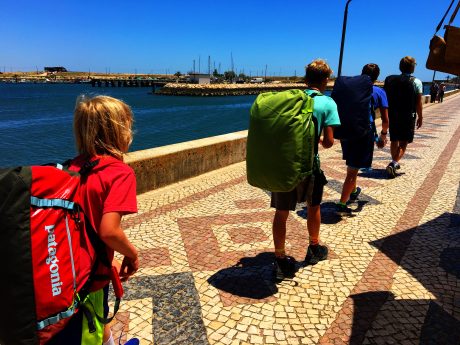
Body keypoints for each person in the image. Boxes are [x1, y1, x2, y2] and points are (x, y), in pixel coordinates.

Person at [50, 95, 139, 345]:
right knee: (90, 329)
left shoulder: (72, 168)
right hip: (90, 274)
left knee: (97, 320)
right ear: (119, 131)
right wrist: (132, 255)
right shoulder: (119, 173)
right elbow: (109, 231)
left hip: (64, 268)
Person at [270, 59, 340, 281]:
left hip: (284, 166)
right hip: (309, 167)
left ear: (306, 78)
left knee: (281, 213)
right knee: (313, 207)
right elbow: (329, 142)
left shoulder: (291, 99)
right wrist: (319, 138)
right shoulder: (327, 103)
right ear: (325, 80)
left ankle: (280, 259)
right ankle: (314, 248)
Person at [336, 63, 389, 215]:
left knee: (352, 164)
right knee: (352, 171)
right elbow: (385, 119)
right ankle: (342, 203)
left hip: (346, 130)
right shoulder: (379, 91)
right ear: (377, 76)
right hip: (363, 133)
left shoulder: (352, 89)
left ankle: (352, 192)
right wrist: (383, 135)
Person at [384, 56, 423, 178]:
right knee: (404, 141)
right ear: (412, 67)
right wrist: (420, 116)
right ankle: (394, 163)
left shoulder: (391, 80)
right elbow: (418, 102)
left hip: (393, 115)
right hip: (408, 116)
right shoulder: (416, 82)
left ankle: (394, 163)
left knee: (394, 139)